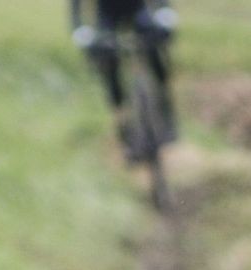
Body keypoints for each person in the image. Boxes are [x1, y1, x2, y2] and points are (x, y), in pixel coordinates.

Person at [70, 0, 179, 158]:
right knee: (108, 64)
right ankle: (123, 126)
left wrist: (164, 13)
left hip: (137, 10)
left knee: (154, 51)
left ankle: (167, 111)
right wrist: (80, 29)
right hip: (107, 16)